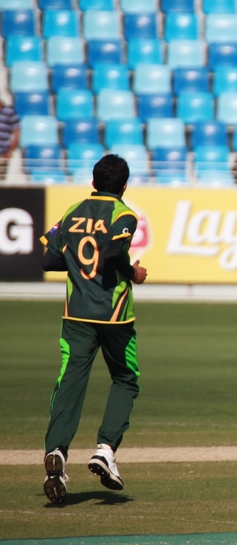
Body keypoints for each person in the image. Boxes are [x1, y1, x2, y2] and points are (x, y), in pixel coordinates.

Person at [38, 154, 146, 502]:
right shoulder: (124, 214)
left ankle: (56, 451)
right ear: (124, 184)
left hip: (76, 314)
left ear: (93, 182)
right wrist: (134, 274)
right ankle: (105, 449)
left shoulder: (72, 212)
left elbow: (49, 258)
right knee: (126, 379)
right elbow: (115, 254)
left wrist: (77, 265)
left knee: (70, 382)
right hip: (114, 316)